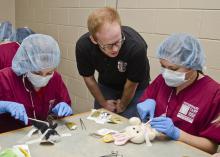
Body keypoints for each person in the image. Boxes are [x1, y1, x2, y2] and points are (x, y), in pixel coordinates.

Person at [137, 33, 220, 154]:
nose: (166, 73)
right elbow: (145, 103)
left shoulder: (214, 94)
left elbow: (211, 147)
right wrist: (146, 103)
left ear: (193, 66)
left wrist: (177, 134)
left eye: (173, 69)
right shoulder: (162, 80)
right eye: (163, 66)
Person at [75, 7, 150, 118]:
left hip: (136, 87)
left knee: (130, 125)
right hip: (107, 85)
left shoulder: (136, 47)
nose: (115, 49)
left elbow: (131, 84)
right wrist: (103, 103)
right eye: (109, 45)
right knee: (101, 121)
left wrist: (123, 105)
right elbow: (88, 78)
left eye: (118, 41)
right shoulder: (84, 46)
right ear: (94, 40)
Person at [0, 34, 73, 133]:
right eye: (37, 73)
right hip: (8, 137)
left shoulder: (55, 78)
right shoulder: (5, 78)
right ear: (25, 64)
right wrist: (3, 106)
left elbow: (63, 101)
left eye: (49, 73)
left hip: (38, 135)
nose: (43, 77)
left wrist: (62, 106)